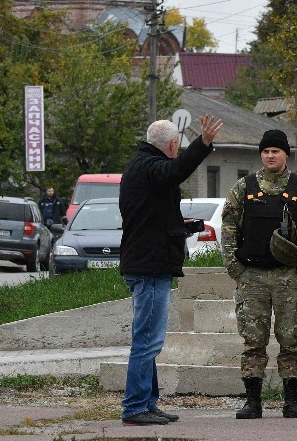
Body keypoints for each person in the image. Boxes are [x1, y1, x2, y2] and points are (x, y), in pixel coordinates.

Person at [118, 113, 223, 426]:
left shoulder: (140, 167)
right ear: (173, 144)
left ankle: (147, 403)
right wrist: (203, 144)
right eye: (179, 146)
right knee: (147, 341)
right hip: (150, 266)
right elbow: (175, 171)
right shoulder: (151, 167)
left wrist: (181, 226)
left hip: (146, 260)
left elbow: (151, 217)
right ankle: (135, 406)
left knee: (148, 339)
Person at [220, 128, 297, 420]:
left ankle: (291, 402)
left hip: (288, 278)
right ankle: (253, 403)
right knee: (253, 341)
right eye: (265, 151)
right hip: (252, 277)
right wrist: (234, 267)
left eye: (275, 151)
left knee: (292, 339)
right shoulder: (244, 187)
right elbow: (228, 229)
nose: (269, 156)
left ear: (285, 155)